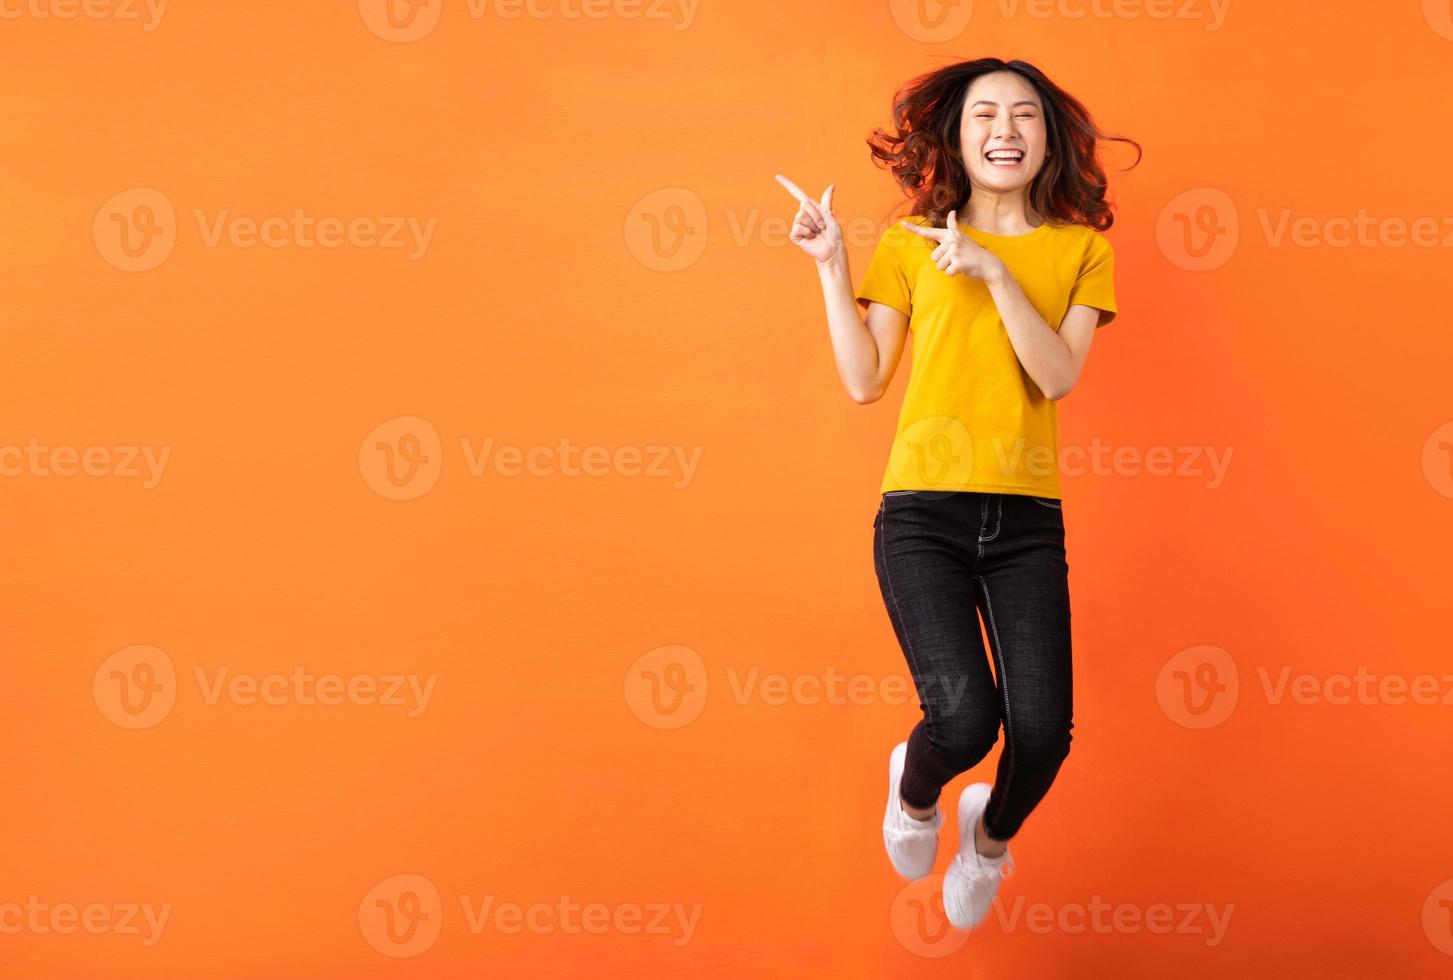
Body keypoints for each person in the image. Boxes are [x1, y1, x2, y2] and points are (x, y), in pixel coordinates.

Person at [776, 57, 1140, 931]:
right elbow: (865, 380)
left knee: (1043, 736)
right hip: (922, 517)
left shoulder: (1080, 251)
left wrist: (993, 273)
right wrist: (831, 266)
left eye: (1023, 116)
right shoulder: (908, 244)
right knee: (966, 719)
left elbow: (1054, 378)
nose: (1004, 130)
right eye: (984, 115)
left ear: (1049, 139)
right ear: (956, 135)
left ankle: (988, 841)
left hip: (1024, 521)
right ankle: (914, 790)